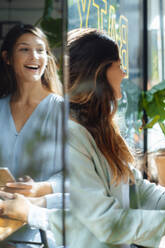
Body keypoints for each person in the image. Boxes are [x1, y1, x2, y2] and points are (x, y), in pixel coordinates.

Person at [0, 28, 165, 248]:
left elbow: (139, 191)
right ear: (99, 73)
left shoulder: (102, 129)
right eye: (119, 65)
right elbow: (106, 222)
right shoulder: (71, 133)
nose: (124, 73)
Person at [0, 24, 63, 246]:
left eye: (40, 50)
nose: (34, 56)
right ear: (7, 58)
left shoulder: (62, 112)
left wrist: (39, 187)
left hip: (43, 233)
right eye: (24, 49)